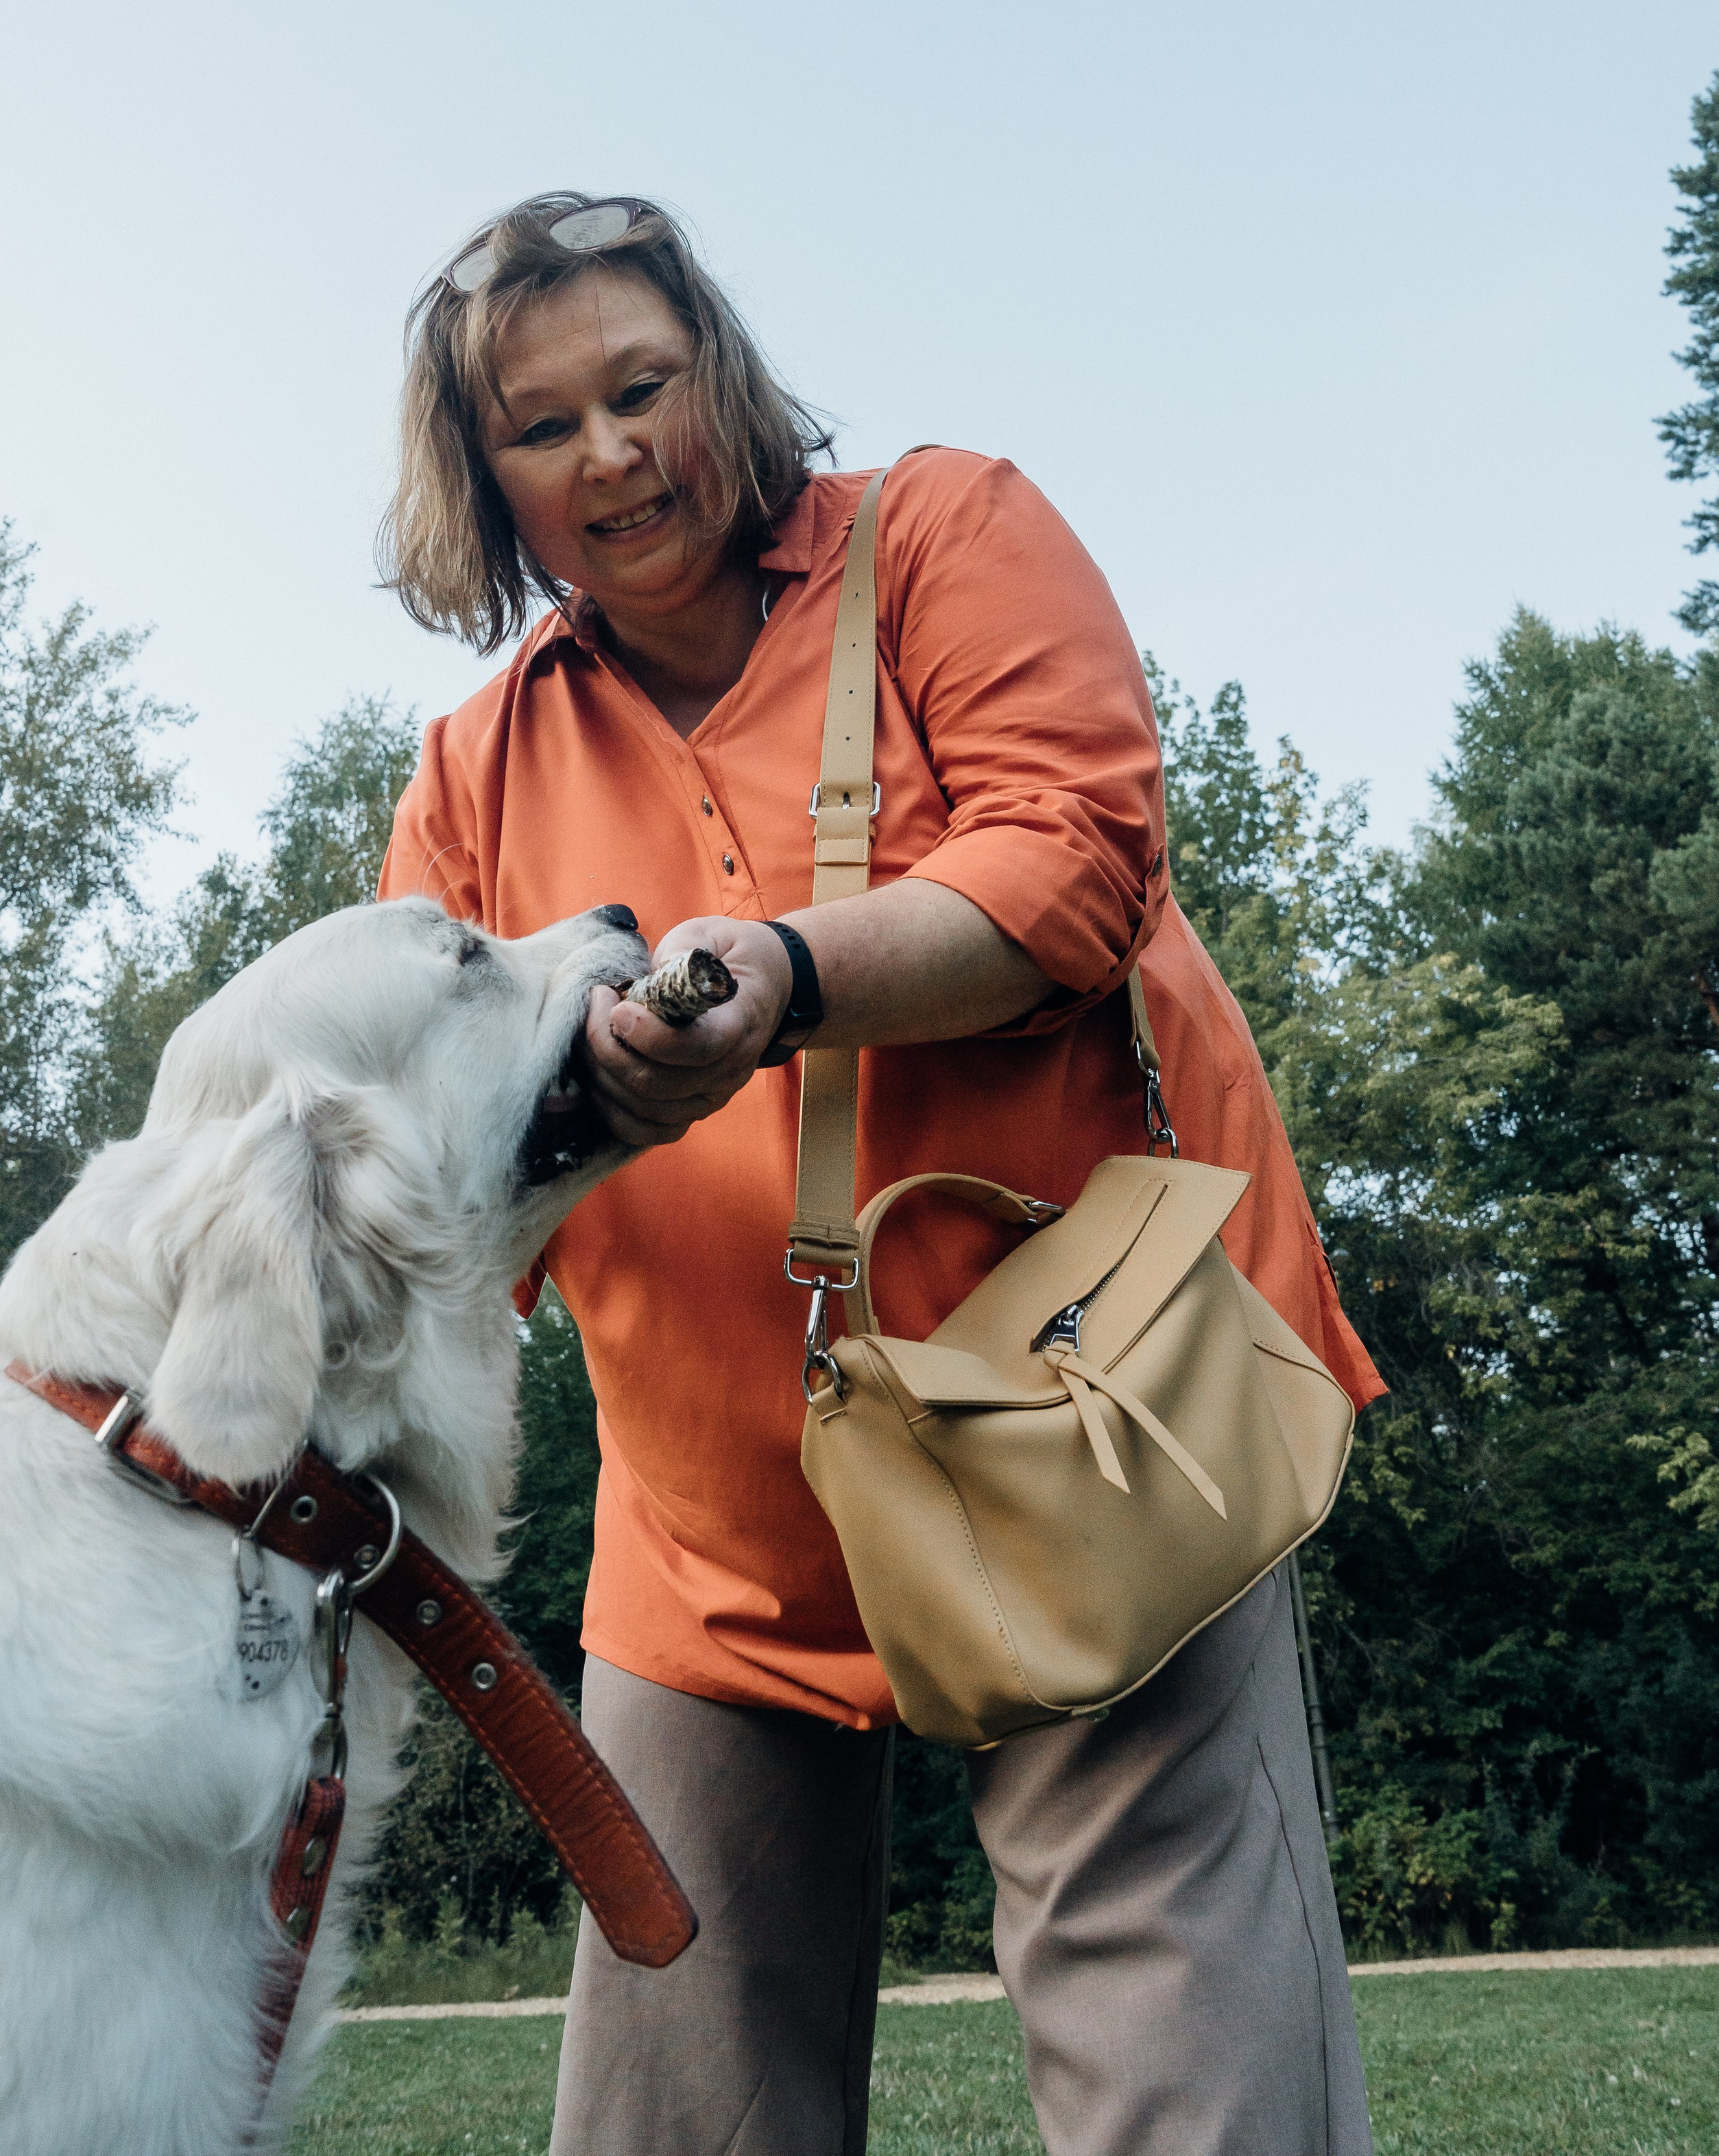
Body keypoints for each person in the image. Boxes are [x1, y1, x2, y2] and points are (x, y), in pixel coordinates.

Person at [378, 192, 1384, 2156]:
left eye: (643, 387)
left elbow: (1075, 865)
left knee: (1191, 2065)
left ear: (717, 377)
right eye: (543, 424)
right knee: (676, 2101)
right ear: (482, 477)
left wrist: (784, 976)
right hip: (714, 1530)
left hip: (1084, 1422)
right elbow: (429, 1177)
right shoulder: (473, 772)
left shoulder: (938, 538)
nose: (613, 453)